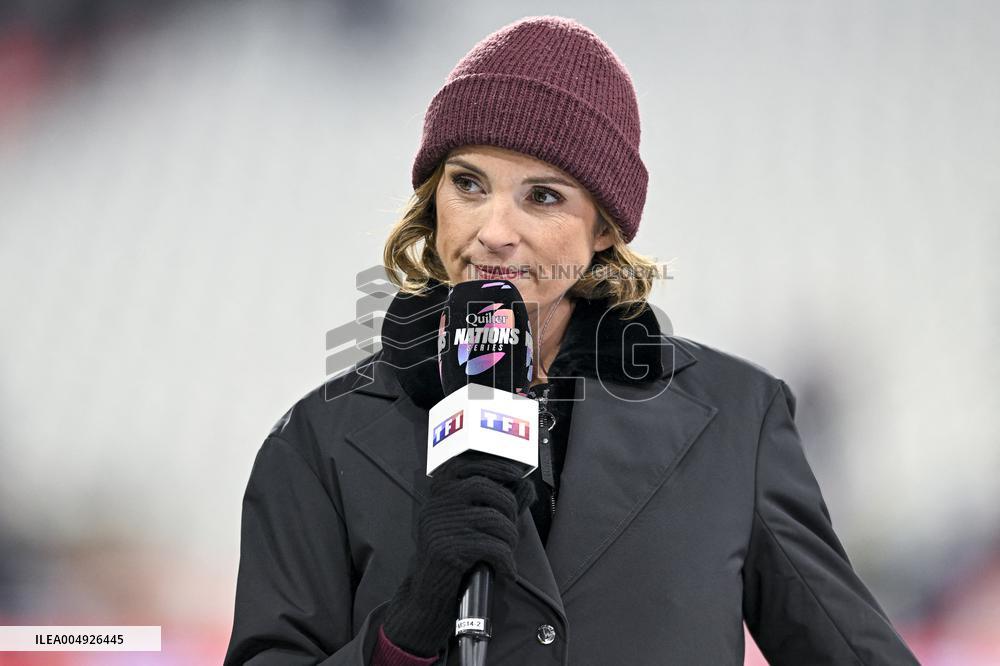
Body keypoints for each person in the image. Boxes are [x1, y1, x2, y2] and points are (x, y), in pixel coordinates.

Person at [223, 15, 920, 665]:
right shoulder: (316, 442)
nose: (494, 230)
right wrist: (407, 627)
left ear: (607, 228)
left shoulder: (739, 422)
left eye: (543, 196)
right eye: (468, 183)